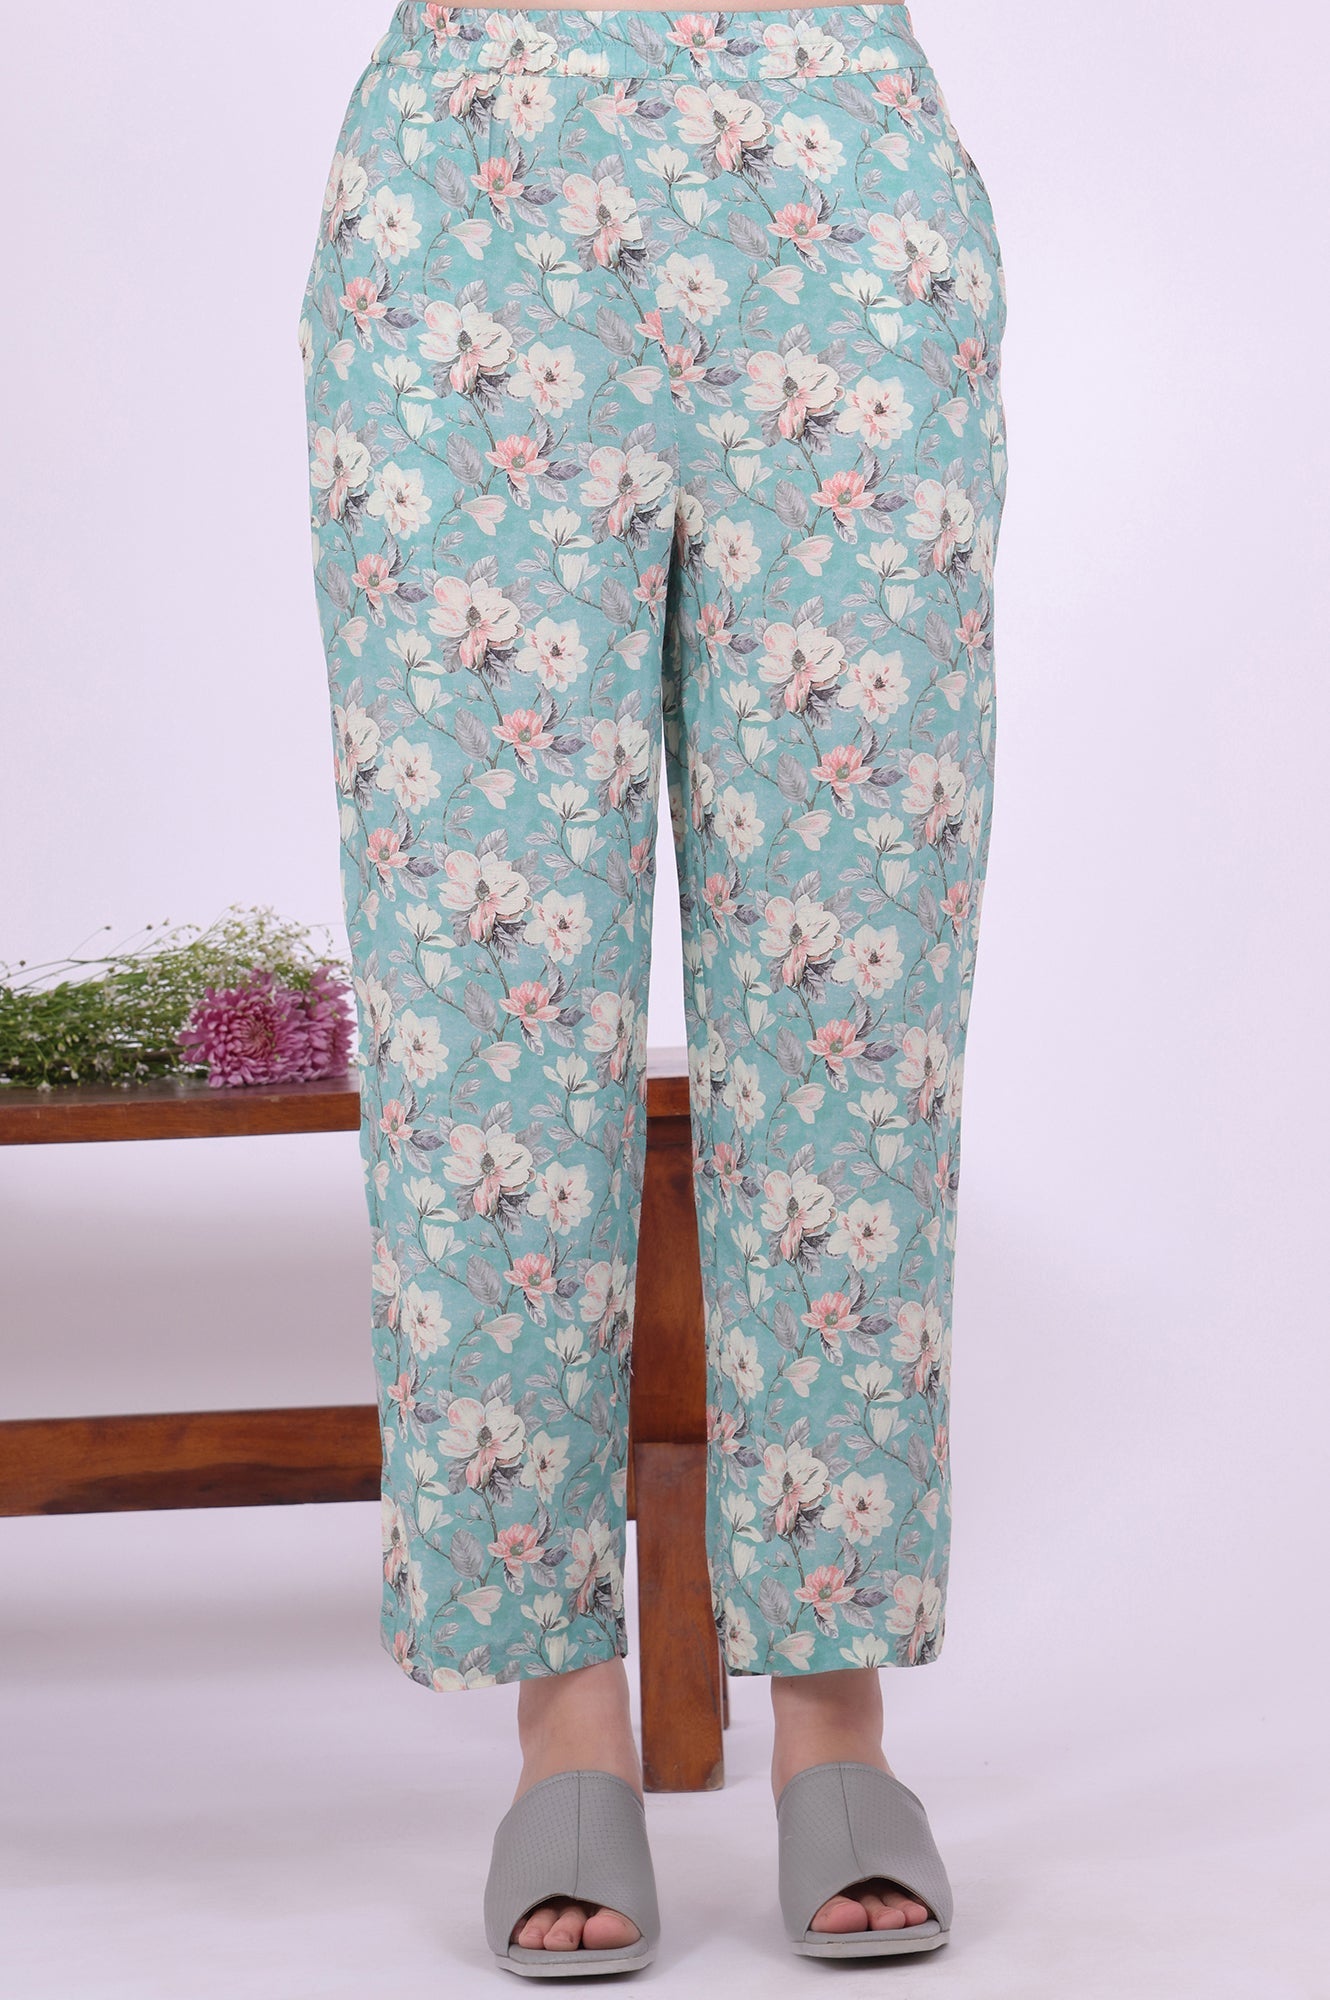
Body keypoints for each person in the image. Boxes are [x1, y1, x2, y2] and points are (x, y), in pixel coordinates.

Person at [298, 0, 1006, 1972]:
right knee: (482, 995)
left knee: (852, 974)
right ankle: (562, 1724)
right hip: (471, 181)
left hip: (838, 172)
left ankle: (835, 1721)